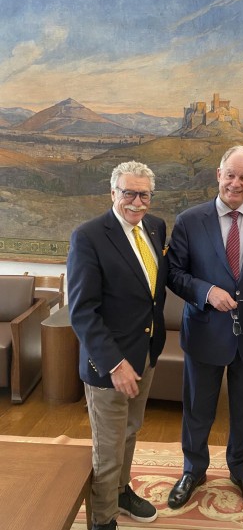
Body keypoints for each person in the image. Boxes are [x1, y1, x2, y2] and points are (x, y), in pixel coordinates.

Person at [167, 145, 243, 510]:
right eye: (230, 175)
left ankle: (241, 471)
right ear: (219, 175)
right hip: (204, 331)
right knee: (198, 409)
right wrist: (207, 292)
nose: (236, 183)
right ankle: (193, 470)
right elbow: (174, 273)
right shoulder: (189, 220)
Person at [67, 160, 167, 530]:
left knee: (130, 430)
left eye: (144, 195)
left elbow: (151, 292)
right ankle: (103, 519)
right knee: (108, 449)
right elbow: (82, 311)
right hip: (109, 365)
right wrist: (115, 363)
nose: (137, 202)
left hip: (146, 353)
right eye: (129, 193)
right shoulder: (89, 236)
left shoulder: (155, 227)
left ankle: (121, 492)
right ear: (113, 192)